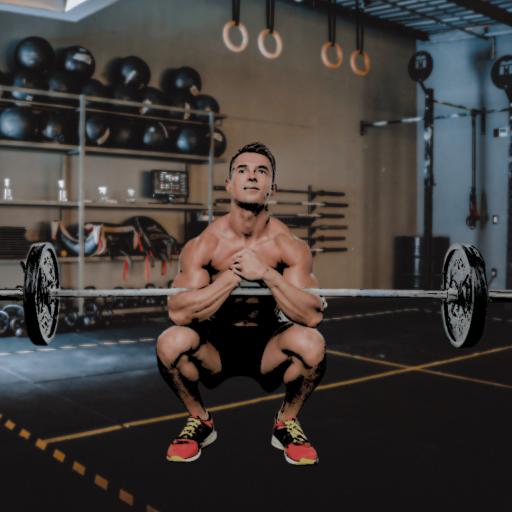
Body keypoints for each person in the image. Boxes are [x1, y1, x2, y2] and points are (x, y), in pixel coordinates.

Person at [156, 142, 327, 465]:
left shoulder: (289, 245)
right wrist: (231, 278)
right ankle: (200, 421)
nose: (252, 177)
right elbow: (178, 312)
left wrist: (265, 274)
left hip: (268, 346)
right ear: (229, 185)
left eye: (261, 171)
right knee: (170, 342)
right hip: (216, 347)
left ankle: (287, 422)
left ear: (271, 187)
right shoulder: (204, 244)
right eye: (242, 171)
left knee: (312, 344)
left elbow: (311, 315)